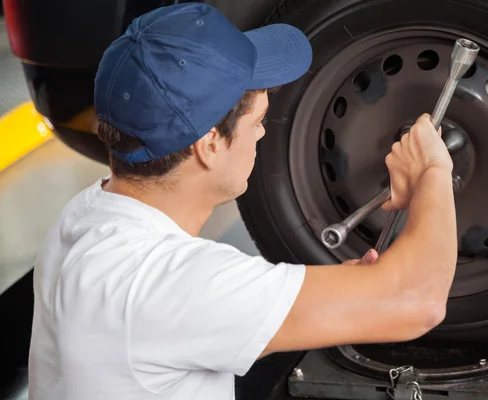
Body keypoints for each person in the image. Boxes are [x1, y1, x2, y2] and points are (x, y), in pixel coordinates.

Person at [28, 3, 457, 400]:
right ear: (209, 144)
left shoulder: (86, 216)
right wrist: (432, 171)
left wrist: (318, 299)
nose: (263, 134)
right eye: (258, 120)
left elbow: (184, 320)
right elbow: (419, 303)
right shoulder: (167, 284)